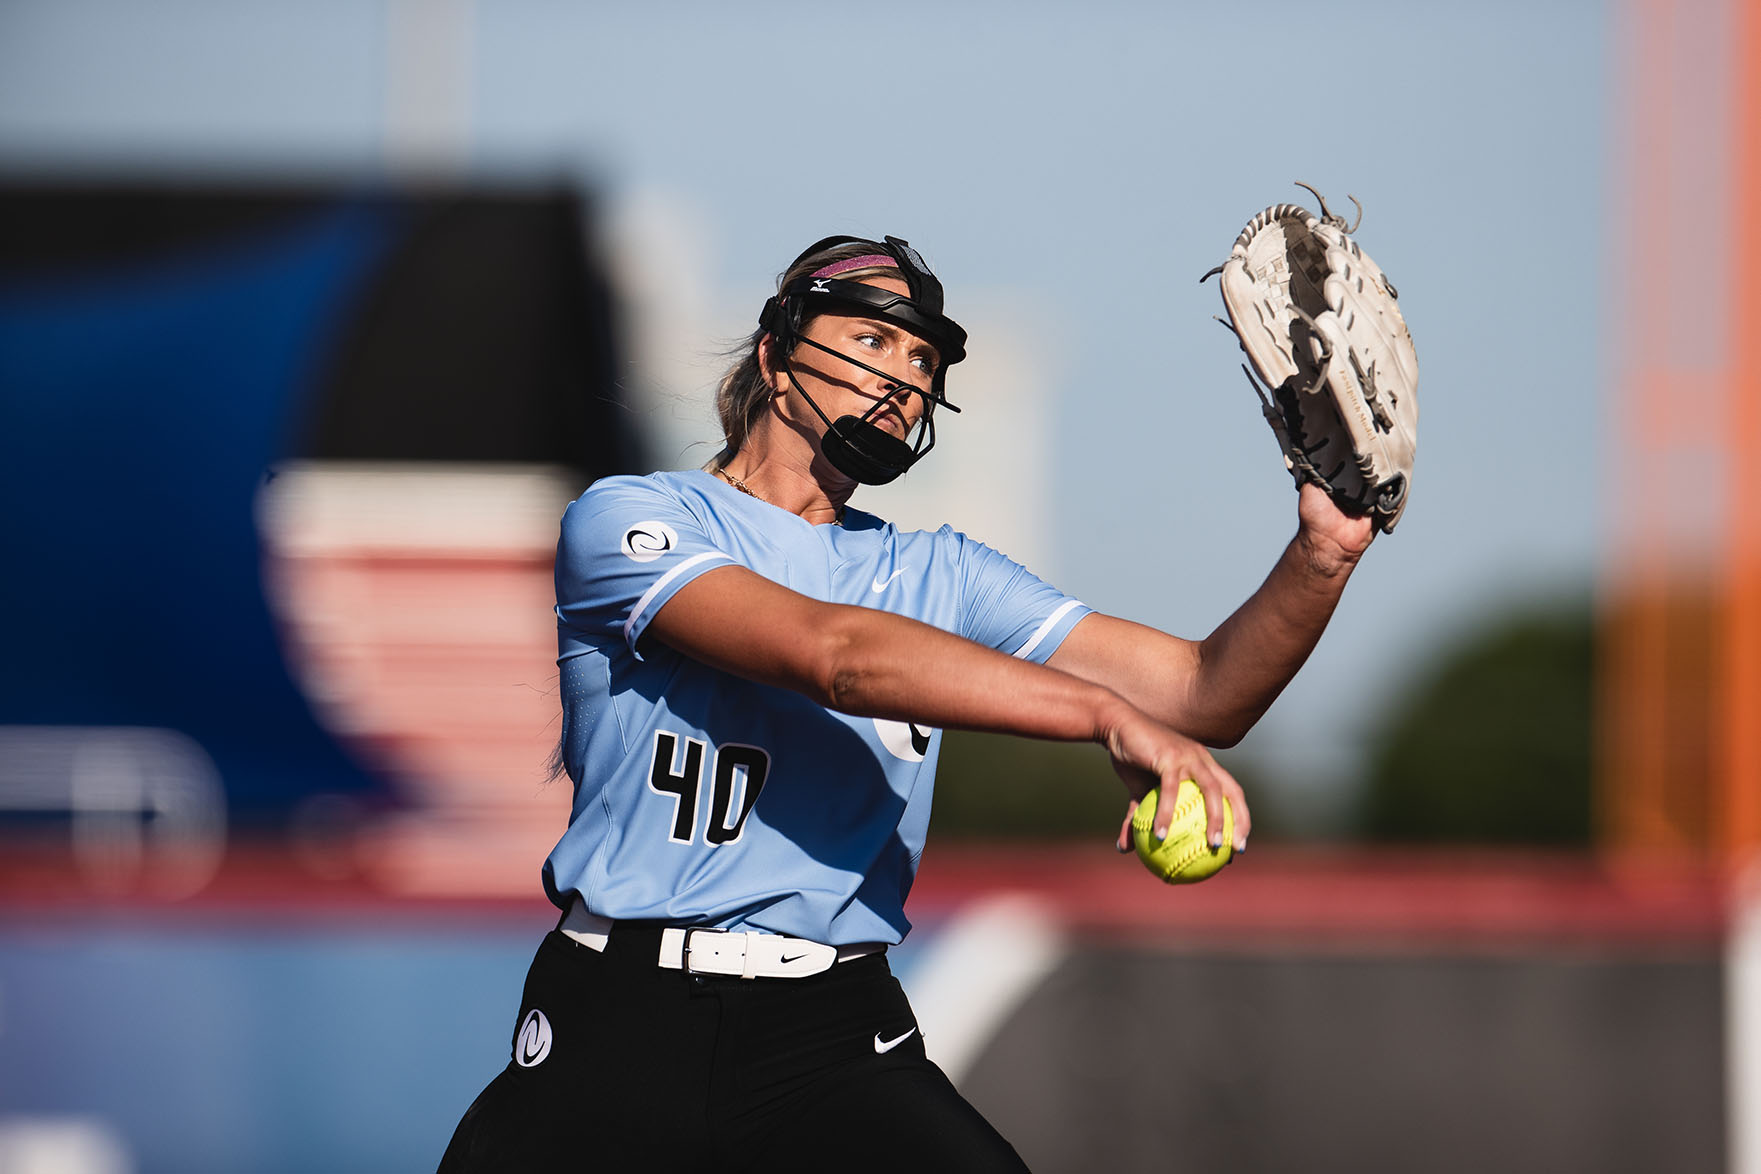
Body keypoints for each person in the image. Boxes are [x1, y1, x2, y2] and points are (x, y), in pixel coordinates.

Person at [438, 234, 1374, 1172]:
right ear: (774, 355)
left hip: (829, 1037)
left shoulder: (939, 573)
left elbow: (1200, 692)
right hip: (619, 1022)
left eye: (924, 359)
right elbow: (831, 654)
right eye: (874, 341)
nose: (905, 376)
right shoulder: (631, 519)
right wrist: (1101, 715)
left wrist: (1320, 558)